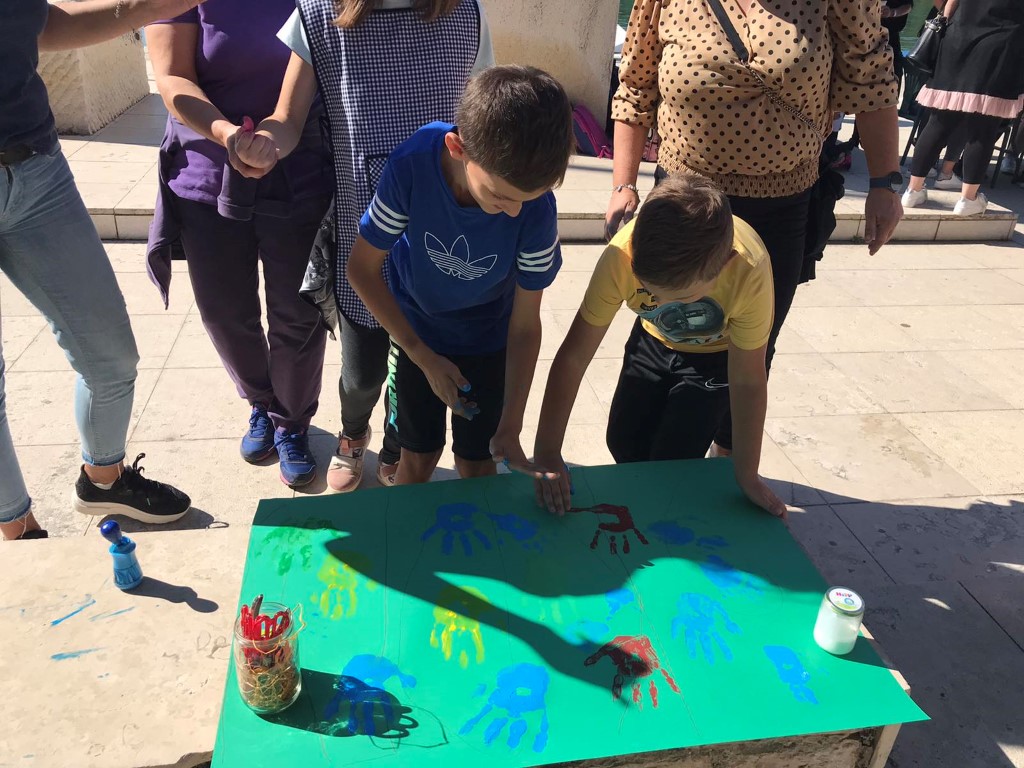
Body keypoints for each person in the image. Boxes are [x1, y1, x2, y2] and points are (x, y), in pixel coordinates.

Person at [607, 0, 902, 459]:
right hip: (683, 201)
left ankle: (730, 459)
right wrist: (623, 185)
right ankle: (653, 443)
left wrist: (884, 183)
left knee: (755, 340)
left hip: (780, 205)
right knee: (669, 320)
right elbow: (635, 86)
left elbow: (871, 77)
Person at [229, 0, 493, 492]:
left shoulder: (465, 12)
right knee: (361, 374)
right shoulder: (316, 15)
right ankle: (353, 432)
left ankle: (397, 444)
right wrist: (264, 142)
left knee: (418, 365)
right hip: (364, 236)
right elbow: (287, 118)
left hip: (441, 239)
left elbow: (483, 120)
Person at [0, 0, 195, 542]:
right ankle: (17, 528)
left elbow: (40, 22)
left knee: (109, 355)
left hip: (36, 170)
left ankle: (103, 480)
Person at [346, 66, 574, 485]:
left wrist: (511, 424)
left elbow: (525, 326)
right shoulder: (411, 166)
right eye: (501, 196)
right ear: (458, 148)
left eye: (527, 200)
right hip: (417, 334)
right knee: (417, 458)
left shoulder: (536, 210)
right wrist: (420, 354)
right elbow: (361, 268)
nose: (514, 213)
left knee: (478, 463)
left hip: (489, 341)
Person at [145, 2, 333, 488]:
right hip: (206, 169)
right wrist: (226, 134)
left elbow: (303, 92)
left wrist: (271, 140)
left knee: (299, 313)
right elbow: (172, 76)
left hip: (299, 167)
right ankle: (261, 403)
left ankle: (292, 421)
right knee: (224, 312)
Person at [533, 175, 784, 518]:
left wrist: (747, 474)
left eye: (683, 297)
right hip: (651, 338)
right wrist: (547, 451)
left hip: (715, 357)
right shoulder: (621, 256)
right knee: (622, 441)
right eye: (650, 292)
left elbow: (748, 380)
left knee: (673, 458)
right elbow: (574, 357)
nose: (663, 304)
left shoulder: (749, 269)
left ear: (725, 263)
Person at [902, 0, 1024, 216]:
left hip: (957, 38)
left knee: (938, 122)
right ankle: (968, 199)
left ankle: (913, 190)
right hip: (1001, 44)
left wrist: (946, 21)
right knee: (984, 129)